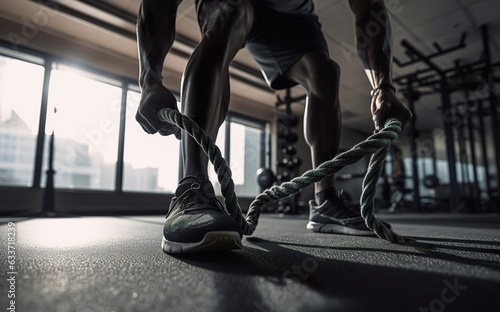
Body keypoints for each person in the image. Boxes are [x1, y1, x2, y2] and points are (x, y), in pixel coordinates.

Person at [135, 0, 413, 253]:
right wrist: (149, 79)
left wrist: (382, 87)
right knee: (229, 16)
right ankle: (191, 188)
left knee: (325, 73)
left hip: (291, 11)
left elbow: (369, 9)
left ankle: (325, 201)